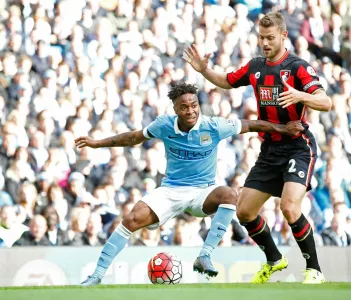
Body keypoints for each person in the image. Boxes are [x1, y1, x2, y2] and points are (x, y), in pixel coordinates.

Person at [76, 82, 304, 286]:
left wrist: (283, 129)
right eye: (184, 107)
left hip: (202, 192)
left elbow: (252, 124)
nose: (191, 110)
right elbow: (134, 137)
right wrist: (97, 144)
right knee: (131, 219)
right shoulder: (163, 125)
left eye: (194, 105)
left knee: (229, 194)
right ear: (175, 109)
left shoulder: (214, 126)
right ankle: (97, 275)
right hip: (170, 190)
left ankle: (205, 255)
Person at [183, 12, 331, 284]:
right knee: (244, 211)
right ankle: (275, 259)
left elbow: (325, 102)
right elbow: (227, 81)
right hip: (270, 150)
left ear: (283, 36)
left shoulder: (298, 67)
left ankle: (314, 271)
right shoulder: (255, 67)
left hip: (298, 147)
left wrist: (301, 95)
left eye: (270, 38)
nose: (264, 43)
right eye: (261, 38)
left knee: (289, 207)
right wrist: (204, 70)